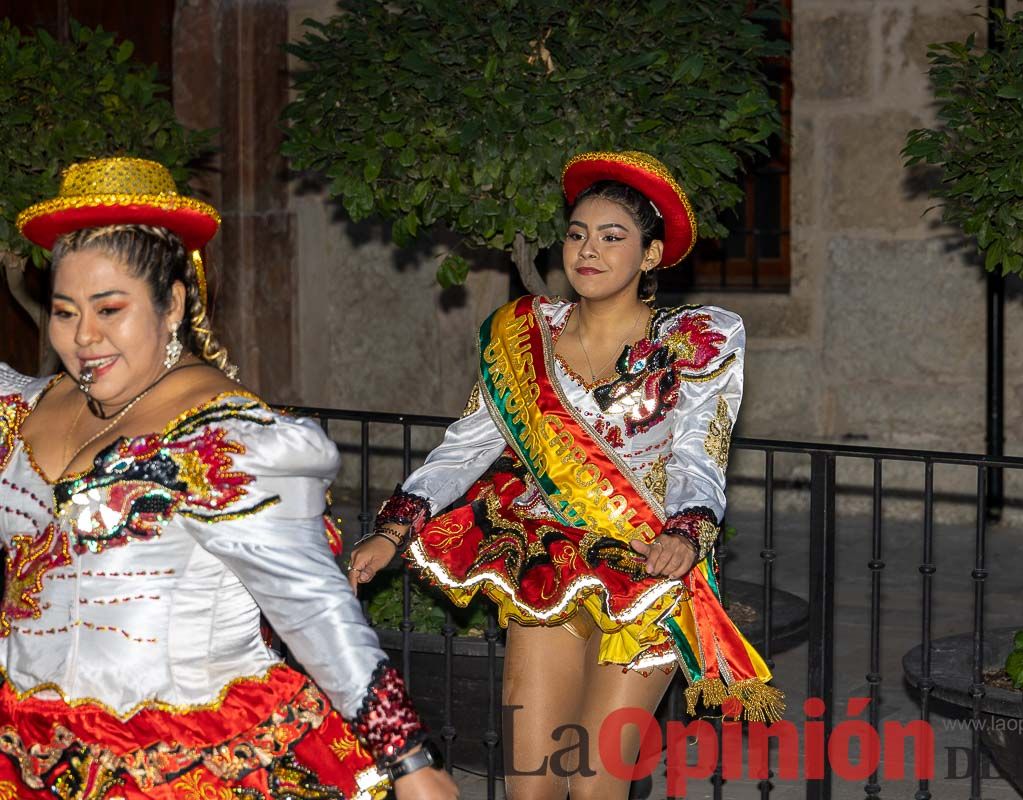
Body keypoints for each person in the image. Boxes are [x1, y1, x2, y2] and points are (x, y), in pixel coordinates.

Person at [0, 157, 457, 799]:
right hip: (20, 755)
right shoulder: (24, 408)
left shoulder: (231, 439)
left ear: (173, 305)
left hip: (176, 765)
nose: (84, 337)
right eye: (65, 311)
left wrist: (410, 761)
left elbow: (315, 608)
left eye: (110, 309)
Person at [351, 151, 783, 798]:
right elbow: (466, 448)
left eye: (613, 237)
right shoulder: (523, 334)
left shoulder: (697, 339)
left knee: (596, 787)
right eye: (578, 233)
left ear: (652, 255)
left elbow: (700, 452)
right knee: (533, 784)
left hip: (648, 570)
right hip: (545, 564)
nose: (589, 250)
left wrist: (686, 534)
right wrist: (394, 529)